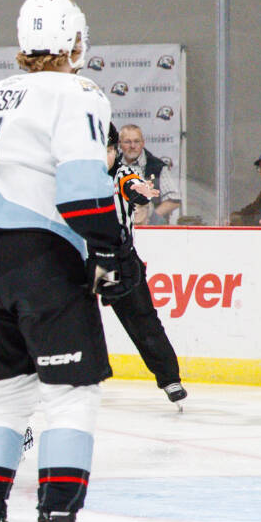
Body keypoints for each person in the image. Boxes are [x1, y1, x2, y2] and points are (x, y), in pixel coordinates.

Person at [0, 0, 137, 522]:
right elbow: (83, 187)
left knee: (5, 395)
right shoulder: (77, 93)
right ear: (76, 45)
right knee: (70, 393)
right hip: (40, 257)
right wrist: (111, 250)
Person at [105, 134, 188, 408]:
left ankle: (169, 378)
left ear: (114, 149)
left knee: (142, 320)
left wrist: (139, 190)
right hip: (78, 260)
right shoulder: (73, 174)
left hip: (117, 261)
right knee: (57, 316)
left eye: (105, 150)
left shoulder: (122, 171)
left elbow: (131, 184)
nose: (100, 156)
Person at [114, 124, 180, 225]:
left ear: (143, 143)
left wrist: (151, 218)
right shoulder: (112, 166)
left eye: (136, 141)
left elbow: (173, 199)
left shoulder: (158, 167)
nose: (132, 146)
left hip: (151, 230)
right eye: (127, 142)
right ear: (120, 144)